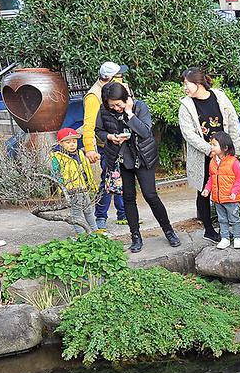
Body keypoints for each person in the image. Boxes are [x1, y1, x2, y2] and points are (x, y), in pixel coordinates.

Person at [95, 82, 180, 253]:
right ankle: (135, 236)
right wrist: (111, 137)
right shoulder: (104, 111)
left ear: (126, 98)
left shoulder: (140, 107)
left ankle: (169, 231)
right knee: (128, 197)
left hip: (142, 158)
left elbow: (145, 132)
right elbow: (99, 130)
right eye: (112, 105)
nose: (116, 108)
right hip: (121, 159)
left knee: (150, 195)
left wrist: (129, 113)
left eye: (119, 104)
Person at [178, 67, 240, 244]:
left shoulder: (219, 97)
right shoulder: (186, 105)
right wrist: (210, 149)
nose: (185, 88)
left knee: (228, 186)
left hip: (225, 154)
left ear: (198, 83)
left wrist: (236, 149)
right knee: (204, 190)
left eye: (187, 84)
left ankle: (232, 227)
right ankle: (208, 229)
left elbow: (233, 123)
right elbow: (188, 134)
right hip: (203, 155)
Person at [84, 61, 127, 228]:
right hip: (105, 144)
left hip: (121, 142)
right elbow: (89, 125)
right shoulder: (94, 96)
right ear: (109, 78)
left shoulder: (117, 90)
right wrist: (89, 149)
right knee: (108, 180)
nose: (122, 79)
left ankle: (123, 213)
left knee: (121, 177)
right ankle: (100, 216)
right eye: (119, 76)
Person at [49, 127, 98, 234]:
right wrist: (63, 189)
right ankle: (80, 234)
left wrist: (91, 184)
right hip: (72, 190)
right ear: (60, 143)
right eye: (68, 142)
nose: (72, 144)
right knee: (77, 213)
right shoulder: (57, 157)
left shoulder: (80, 153)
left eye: (74, 142)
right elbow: (56, 175)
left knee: (89, 210)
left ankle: (95, 231)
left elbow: (86, 170)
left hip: (84, 188)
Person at [202, 131, 240, 250]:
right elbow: (212, 177)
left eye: (214, 144)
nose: (211, 147)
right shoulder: (212, 161)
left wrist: (234, 192)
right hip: (218, 198)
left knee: (234, 219)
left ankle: (237, 237)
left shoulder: (233, 161)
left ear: (225, 147)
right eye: (211, 144)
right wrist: (207, 189)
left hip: (231, 198)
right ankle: (225, 238)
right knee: (222, 219)